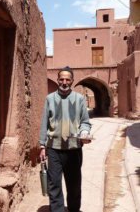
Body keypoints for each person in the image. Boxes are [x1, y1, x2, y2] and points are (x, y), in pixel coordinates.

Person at [39, 66, 92, 212]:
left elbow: (85, 122)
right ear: (57, 80)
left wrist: (85, 132)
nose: (64, 82)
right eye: (61, 79)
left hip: (74, 149)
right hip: (54, 149)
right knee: (54, 184)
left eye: (67, 79)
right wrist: (42, 146)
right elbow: (44, 123)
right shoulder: (49, 99)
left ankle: (74, 209)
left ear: (72, 81)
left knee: (74, 185)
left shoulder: (80, 99)